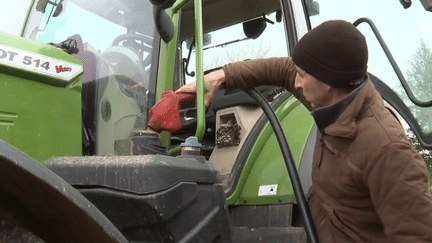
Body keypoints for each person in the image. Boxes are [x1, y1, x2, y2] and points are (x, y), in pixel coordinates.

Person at [175, 20, 432, 242]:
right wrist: (221, 77)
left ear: (329, 83)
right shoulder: (330, 95)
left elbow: (418, 235)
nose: (295, 82)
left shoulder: (386, 149)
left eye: (302, 75)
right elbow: (283, 69)